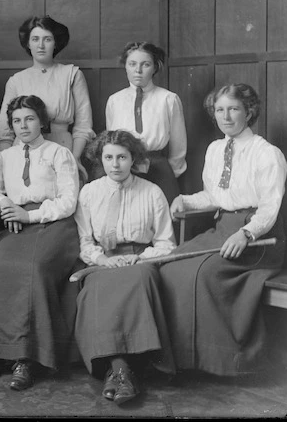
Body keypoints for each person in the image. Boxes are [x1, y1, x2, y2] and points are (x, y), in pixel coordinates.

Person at [160, 83, 287, 376]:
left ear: (249, 112)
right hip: (223, 228)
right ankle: (182, 358)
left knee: (203, 273)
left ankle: (222, 361)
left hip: (259, 236)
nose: (226, 117)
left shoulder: (267, 153)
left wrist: (245, 233)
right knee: (170, 266)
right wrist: (186, 200)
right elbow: (214, 197)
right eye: (220, 110)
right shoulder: (215, 149)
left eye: (234, 109)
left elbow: (269, 207)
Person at [0, 95, 81, 391]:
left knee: (32, 269)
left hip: (54, 226)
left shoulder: (59, 153)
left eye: (30, 119)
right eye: (17, 121)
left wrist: (30, 215)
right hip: (18, 223)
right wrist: (8, 205)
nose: (23, 126)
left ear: (41, 121)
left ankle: (27, 358)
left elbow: (68, 201)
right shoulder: (4, 156)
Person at [73, 130, 176, 405]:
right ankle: (122, 373)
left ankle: (120, 373)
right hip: (103, 260)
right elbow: (85, 240)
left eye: (122, 157)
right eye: (108, 157)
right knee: (97, 287)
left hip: (140, 260)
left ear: (133, 159)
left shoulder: (152, 192)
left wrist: (140, 258)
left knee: (137, 280)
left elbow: (166, 242)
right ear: (100, 159)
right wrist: (102, 259)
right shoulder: (89, 193)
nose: (115, 164)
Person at [0, 16, 95, 181]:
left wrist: (74, 158)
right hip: (23, 151)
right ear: (28, 43)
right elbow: (4, 131)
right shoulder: (16, 80)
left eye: (47, 39)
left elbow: (83, 125)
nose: (40, 45)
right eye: (35, 39)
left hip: (62, 147)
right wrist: (6, 162)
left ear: (55, 43)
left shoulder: (72, 74)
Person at [103, 41, 187, 204]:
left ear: (155, 67)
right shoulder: (115, 100)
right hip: (124, 168)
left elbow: (179, 145)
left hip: (159, 169)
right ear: (125, 66)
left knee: (163, 217)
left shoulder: (168, 99)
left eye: (146, 64)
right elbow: (111, 140)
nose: (138, 70)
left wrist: (170, 173)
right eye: (132, 64)